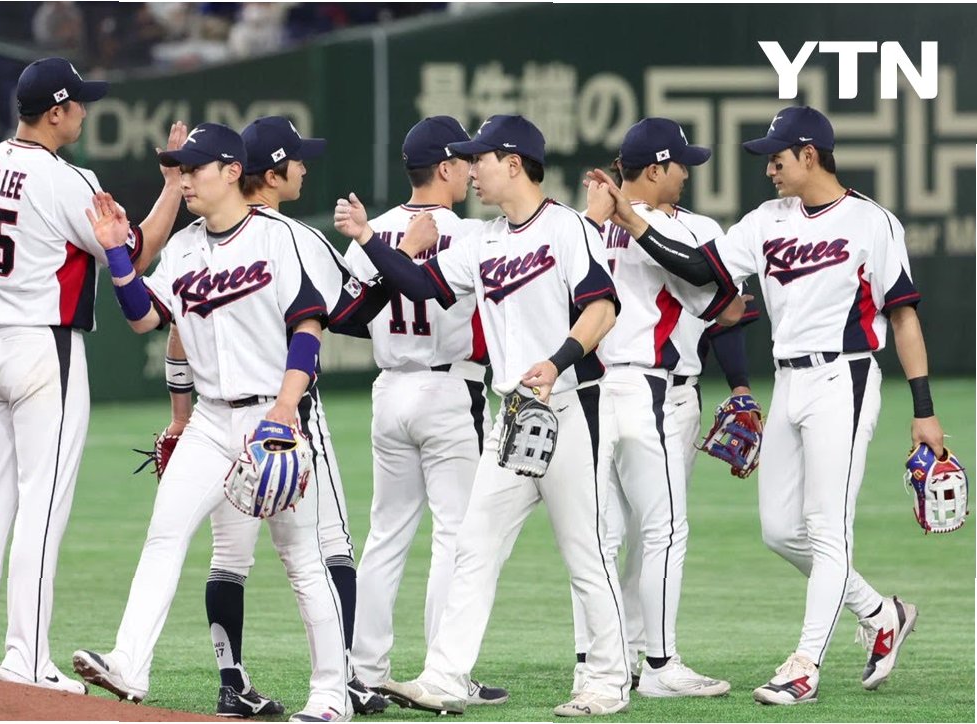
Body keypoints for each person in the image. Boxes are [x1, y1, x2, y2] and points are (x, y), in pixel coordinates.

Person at [592, 105, 936, 705]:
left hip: (845, 377)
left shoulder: (872, 222)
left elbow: (903, 315)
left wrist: (923, 408)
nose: (769, 169)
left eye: (777, 159)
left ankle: (805, 664)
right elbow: (699, 270)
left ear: (810, 155)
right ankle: (882, 613)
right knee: (780, 531)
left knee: (827, 528)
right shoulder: (764, 221)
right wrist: (633, 219)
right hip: (788, 382)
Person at [341, 114, 633, 717]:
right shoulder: (484, 240)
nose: (470, 169)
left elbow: (603, 309)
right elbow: (419, 286)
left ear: (514, 162)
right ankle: (445, 676)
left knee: (585, 550)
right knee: (472, 545)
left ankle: (608, 680)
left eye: (480, 158)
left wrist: (556, 361)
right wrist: (371, 240)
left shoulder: (567, 228)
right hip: (513, 414)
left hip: (568, 406)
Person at [71, 122, 353, 723]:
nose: (184, 180)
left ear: (231, 171)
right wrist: (117, 251)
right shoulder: (183, 246)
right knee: (165, 533)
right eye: (179, 169)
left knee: (301, 557)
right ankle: (129, 663)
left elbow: (308, 328)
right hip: (209, 420)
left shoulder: (279, 237)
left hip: (271, 416)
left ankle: (331, 694)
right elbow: (144, 317)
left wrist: (286, 407)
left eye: (193, 169)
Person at [0, 57, 184, 693]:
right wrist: (171, 187)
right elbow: (133, 255)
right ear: (55, 111)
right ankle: (26, 660)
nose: (84, 111)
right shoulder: (66, 179)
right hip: (41, 348)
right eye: (78, 103)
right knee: (42, 506)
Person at [333, 116, 508, 708]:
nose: (468, 168)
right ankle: (444, 670)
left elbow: (347, 316)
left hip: (389, 389)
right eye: (463, 160)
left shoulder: (375, 229)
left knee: (386, 534)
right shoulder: (471, 233)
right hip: (450, 390)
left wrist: (383, 250)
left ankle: (365, 669)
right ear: (445, 167)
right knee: (456, 536)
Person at [566, 118, 743, 699]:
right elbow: (716, 291)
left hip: (589, 390)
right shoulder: (671, 226)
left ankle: (595, 662)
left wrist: (604, 218)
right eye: (679, 164)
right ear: (655, 169)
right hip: (648, 390)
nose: (686, 174)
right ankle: (660, 664)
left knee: (600, 535)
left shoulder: (580, 228)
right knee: (662, 530)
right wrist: (629, 220)